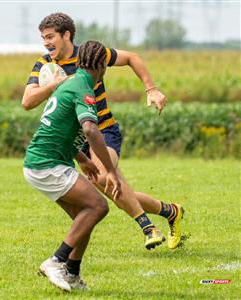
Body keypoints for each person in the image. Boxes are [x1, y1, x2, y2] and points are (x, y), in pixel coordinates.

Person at [22, 12, 184, 250]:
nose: (46, 42)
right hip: (77, 140)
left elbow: (132, 58)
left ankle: (148, 228)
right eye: (43, 38)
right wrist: (58, 83)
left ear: (66, 35)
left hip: (102, 130)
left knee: (107, 177)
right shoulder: (45, 64)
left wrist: (151, 89)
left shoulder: (90, 55)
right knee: (113, 191)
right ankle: (171, 211)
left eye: (50, 36)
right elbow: (27, 101)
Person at [24, 40, 123, 292]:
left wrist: (85, 160)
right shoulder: (83, 87)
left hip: (40, 161)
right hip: (47, 164)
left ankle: (72, 274)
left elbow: (61, 129)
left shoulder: (73, 81)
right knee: (98, 206)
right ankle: (56, 261)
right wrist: (109, 170)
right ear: (102, 66)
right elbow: (90, 129)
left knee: (84, 218)